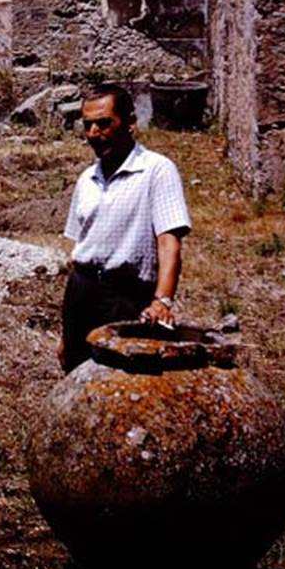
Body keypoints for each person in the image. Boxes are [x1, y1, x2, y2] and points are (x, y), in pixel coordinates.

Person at [60, 82, 191, 373]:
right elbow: (79, 247)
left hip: (126, 296)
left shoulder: (157, 171)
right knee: (76, 374)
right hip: (82, 291)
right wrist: (66, 330)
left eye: (105, 123)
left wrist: (162, 300)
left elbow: (169, 241)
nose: (95, 133)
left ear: (130, 122)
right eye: (88, 125)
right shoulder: (86, 179)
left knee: (125, 378)